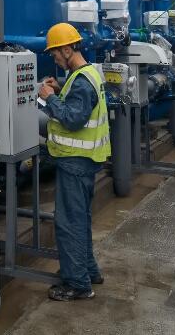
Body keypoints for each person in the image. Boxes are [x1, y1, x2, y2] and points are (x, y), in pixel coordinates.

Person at [38, 21, 111, 301]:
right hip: (85, 160)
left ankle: (77, 284)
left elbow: (72, 118)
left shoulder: (80, 81)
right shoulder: (86, 73)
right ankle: (88, 271)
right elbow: (79, 103)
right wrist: (60, 89)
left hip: (75, 162)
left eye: (55, 53)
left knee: (69, 223)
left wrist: (50, 98)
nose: (54, 58)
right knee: (81, 219)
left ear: (68, 50)